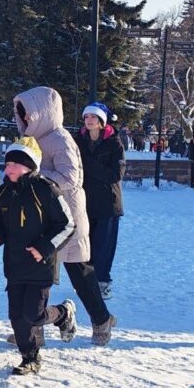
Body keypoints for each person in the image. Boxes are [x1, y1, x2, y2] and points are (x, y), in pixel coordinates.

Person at [13, 87, 116, 347]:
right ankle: (33, 330)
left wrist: (35, 176)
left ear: (43, 112)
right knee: (37, 273)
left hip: (65, 215)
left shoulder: (59, 139)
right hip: (41, 216)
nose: (25, 119)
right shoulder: (31, 139)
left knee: (79, 272)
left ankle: (101, 319)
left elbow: (71, 178)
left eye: (29, 113)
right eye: (21, 114)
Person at [0, 137, 77, 375]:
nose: (9, 169)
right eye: (8, 164)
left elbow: (67, 224)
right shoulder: (2, 193)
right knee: (17, 316)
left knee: (33, 314)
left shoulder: (45, 188)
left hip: (41, 265)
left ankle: (63, 313)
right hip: (14, 264)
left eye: (16, 164)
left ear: (30, 166)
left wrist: (43, 248)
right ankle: (30, 357)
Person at [75, 102, 125, 302]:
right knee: (84, 245)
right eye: (86, 117)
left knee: (104, 247)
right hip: (84, 201)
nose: (89, 120)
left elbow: (115, 174)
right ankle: (87, 283)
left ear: (102, 121)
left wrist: (87, 164)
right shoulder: (78, 140)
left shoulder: (114, 143)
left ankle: (103, 282)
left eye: (93, 117)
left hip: (108, 204)